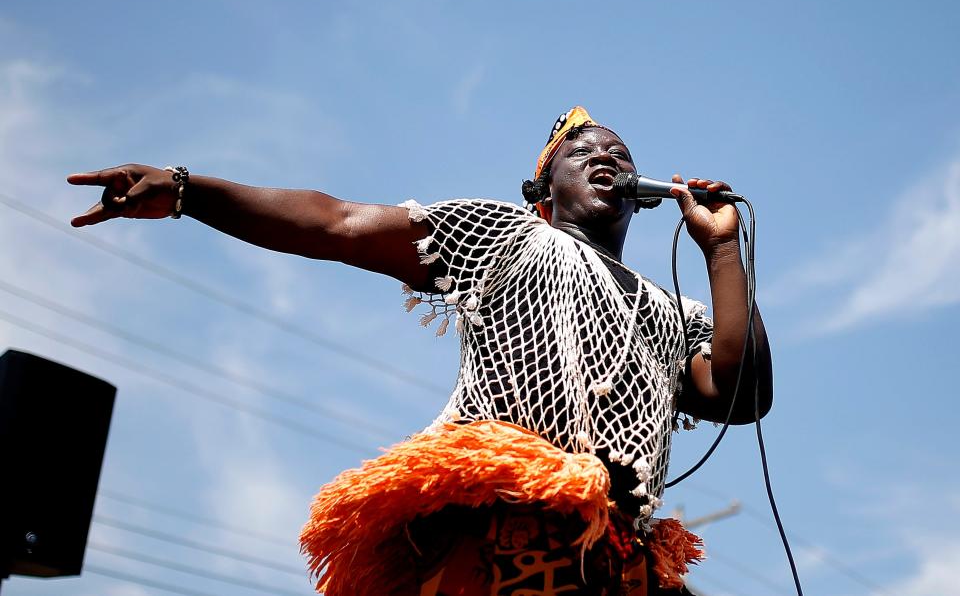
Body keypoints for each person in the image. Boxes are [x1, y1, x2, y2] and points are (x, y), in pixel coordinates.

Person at [68, 106, 772, 595]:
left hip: (611, 560)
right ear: (540, 193)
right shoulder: (508, 237)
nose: (608, 160)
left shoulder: (665, 310)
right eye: (584, 153)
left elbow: (742, 395)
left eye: (620, 156)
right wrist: (190, 190)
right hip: (496, 532)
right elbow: (337, 224)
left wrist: (720, 248)